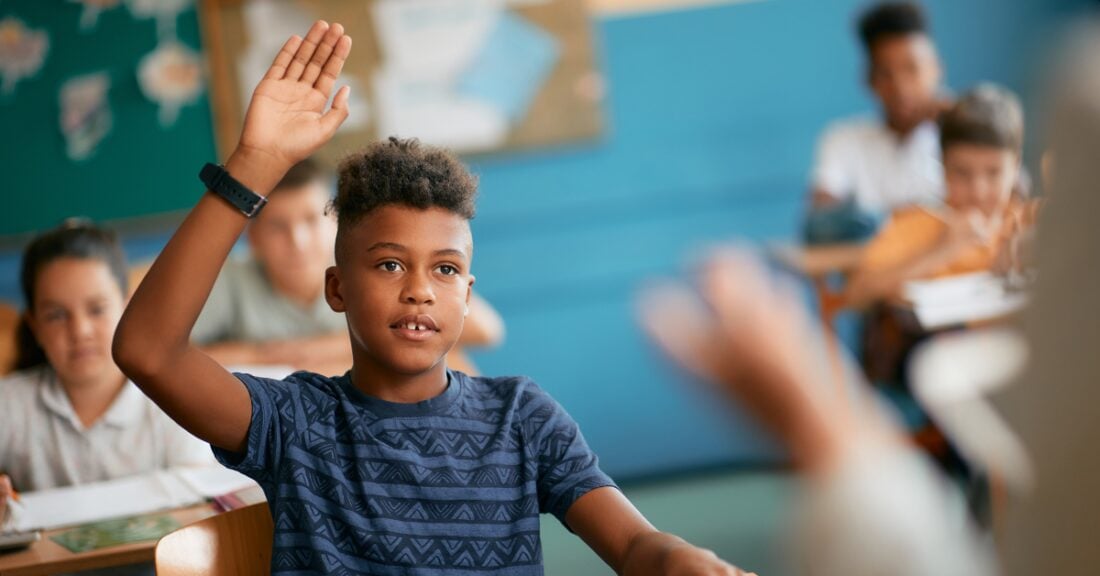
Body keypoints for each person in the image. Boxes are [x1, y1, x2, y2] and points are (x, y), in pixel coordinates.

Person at [113, 21, 751, 575]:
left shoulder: (522, 418)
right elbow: (147, 350)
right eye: (390, 264)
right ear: (337, 289)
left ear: (468, 295)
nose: (419, 289)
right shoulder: (294, 423)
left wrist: (672, 558)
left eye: (445, 269)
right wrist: (253, 163)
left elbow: (635, 544)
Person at [192, 158, 504, 376]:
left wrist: (302, 354)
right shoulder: (230, 278)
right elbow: (171, 353)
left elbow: (487, 330)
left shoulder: (374, 267)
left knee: (450, 364)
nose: (298, 241)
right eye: (278, 226)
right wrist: (268, 358)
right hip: (281, 405)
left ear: (336, 223)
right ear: (254, 238)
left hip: (365, 394)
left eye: (311, 220)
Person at [0, 221, 212, 530]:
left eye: (97, 309)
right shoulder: (10, 401)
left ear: (127, 309)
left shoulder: (171, 398)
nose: (80, 331)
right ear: (35, 327)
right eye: (56, 315)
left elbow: (201, 500)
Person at [845, 84, 1036, 308]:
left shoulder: (1029, 224)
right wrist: (940, 250)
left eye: (993, 172)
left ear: (1015, 166)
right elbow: (855, 295)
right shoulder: (916, 223)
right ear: (943, 167)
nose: (978, 191)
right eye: (962, 173)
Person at [806, 1, 947, 243]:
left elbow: (1009, 202)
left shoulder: (964, 131)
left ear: (936, 69)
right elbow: (819, 220)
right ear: (868, 80)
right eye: (886, 73)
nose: (901, 88)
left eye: (912, 69)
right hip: (878, 279)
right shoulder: (843, 139)